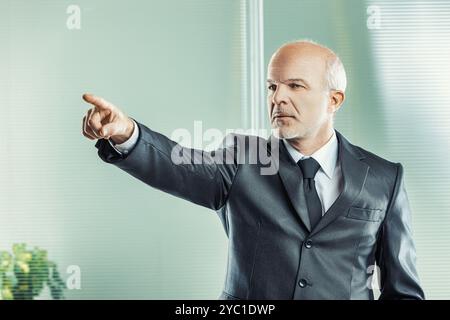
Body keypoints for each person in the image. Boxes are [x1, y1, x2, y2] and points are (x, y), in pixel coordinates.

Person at [81, 40, 425, 300]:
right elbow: (176, 165)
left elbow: (403, 291)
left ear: (333, 100)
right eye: (272, 86)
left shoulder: (384, 178)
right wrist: (127, 133)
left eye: (295, 86)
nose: (278, 98)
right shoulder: (241, 159)